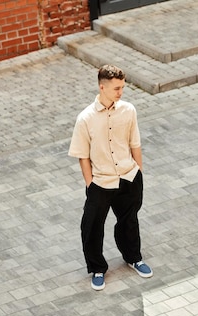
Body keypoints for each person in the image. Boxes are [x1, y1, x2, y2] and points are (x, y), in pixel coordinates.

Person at [68, 64, 153, 291]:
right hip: (101, 181)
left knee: (129, 220)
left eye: (122, 87)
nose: (120, 92)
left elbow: (135, 143)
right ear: (102, 87)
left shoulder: (129, 110)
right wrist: (90, 183)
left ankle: (133, 257)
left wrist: (139, 172)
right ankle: (97, 268)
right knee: (92, 226)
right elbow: (82, 156)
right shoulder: (85, 118)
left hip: (128, 176)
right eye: (116, 88)